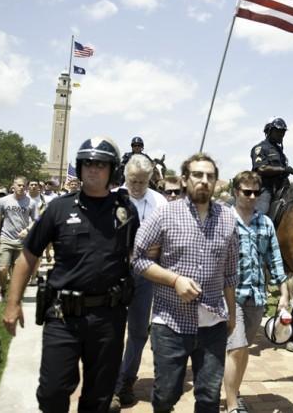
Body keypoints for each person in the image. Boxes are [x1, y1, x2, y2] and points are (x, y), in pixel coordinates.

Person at [2, 137, 138, 413]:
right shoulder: (59, 208)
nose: (93, 169)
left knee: (99, 398)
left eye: (100, 164)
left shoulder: (125, 211)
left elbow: (142, 253)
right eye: (87, 163)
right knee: (52, 393)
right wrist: (13, 302)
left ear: (112, 170)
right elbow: (29, 255)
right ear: (79, 167)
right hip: (63, 316)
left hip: (108, 318)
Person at [131, 153, 238, 413]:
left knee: (209, 396)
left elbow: (230, 273)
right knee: (167, 394)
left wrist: (232, 314)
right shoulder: (164, 215)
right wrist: (174, 280)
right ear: (184, 179)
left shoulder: (228, 219)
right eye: (198, 175)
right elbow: (137, 258)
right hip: (170, 323)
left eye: (210, 176)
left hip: (213, 324)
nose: (204, 181)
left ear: (216, 183)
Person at [224, 171, 290, 413]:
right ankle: (232, 405)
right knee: (237, 347)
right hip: (231, 296)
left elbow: (275, 260)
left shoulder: (266, 222)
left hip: (257, 296)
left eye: (256, 192)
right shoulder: (224, 220)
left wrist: (284, 293)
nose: (252, 196)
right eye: (246, 192)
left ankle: (234, 390)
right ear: (235, 192)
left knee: (244, 349)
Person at [111, 154, 167, 411]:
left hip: (146, 275)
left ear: (150, 179)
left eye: (142, 182)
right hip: (115, 273)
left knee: (137, 331)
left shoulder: (159, 202)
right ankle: (109, 385)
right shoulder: (112, 198)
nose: (136, 186)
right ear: (125, 177)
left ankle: (125, 382)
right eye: (133, 181)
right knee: (111, 331)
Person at [0, 176, 37, 302]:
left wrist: (27, 230)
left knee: (18, 271)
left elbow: (36, 220)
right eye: (19, 185)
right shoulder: (3, 201)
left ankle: (15, 292)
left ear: (26, 187)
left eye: (24, 185)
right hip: (5, 238)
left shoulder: (31, 203)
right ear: (13, 186)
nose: (21, 187)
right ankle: (2, 288)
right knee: (2, 269)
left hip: (22, 242)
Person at [250, 117, 293, 215]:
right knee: (262, 212)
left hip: (283, 186)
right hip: (266, 188)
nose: (281, 134)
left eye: (283, 132)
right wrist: (283, 169)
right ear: (269, 131)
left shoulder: (279, 150)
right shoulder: (260, 148)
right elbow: (261, 168)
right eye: (278, 131)